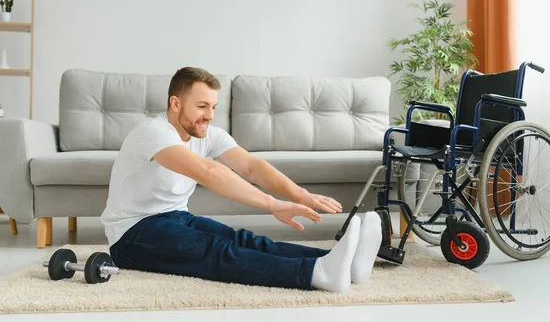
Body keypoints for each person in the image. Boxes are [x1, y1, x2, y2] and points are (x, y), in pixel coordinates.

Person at [100, 67, 382, 293]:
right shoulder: (153, 132)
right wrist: (273, 204)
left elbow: (250, 166)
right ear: (175, 103)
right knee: (219, 252)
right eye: (201, 106)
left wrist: (299, 195)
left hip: (175, 217)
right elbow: (209, 172)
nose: (209, 116)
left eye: (213, 107)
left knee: (244, 240)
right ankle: (314, 274)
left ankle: (338, 264)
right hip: (132, 235)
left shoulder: (206, 133)